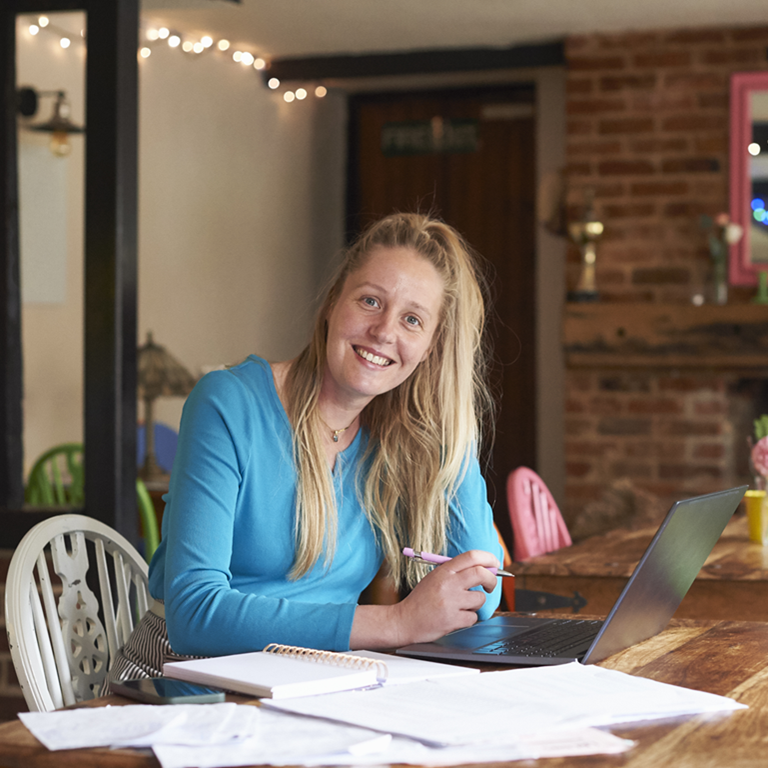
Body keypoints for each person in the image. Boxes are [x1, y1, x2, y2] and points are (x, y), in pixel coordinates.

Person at [106, 212, 503, 688]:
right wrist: (395, 623)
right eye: (370, 300)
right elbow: (195, 612)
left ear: (431, 350)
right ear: (334, 302)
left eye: (412, 320)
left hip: (317, 679)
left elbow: (483, 594)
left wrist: (448, 421)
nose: (383, 331)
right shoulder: (228, 402)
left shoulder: (395, 438)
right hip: (183, 678)